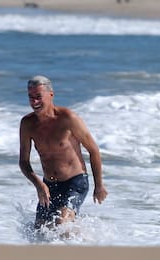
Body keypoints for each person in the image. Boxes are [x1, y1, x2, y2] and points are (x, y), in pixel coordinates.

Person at [19, 75, 108, 230]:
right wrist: (38, 184)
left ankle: (76, 250)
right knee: (39, 229)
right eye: (31, 97)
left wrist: (99, 186)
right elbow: (23, 162)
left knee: (61, 222)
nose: (34, 102)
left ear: (51, 95)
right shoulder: (27, 124)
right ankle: (81, 240)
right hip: (49, 185)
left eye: (38, 97)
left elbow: (93, 150)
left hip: (75, 182)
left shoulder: (68, 118)